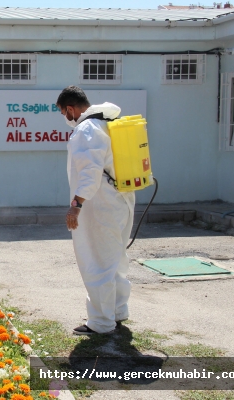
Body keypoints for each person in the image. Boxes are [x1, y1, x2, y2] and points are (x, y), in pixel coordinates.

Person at [56, 86, 135, 336]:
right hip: (121, 200)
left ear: (70, 109)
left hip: (99, 205)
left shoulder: (86, 129)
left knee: (97, 260)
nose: (65, 118)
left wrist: (76, 205)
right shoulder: (108, 122)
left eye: (62, 112)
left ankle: (101, 322)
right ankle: (118, 311)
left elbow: (90, 172)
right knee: (116, 258)